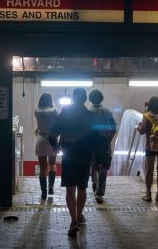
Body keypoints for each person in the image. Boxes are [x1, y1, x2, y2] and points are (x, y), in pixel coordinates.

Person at [49, 88, 96, 238]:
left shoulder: (66, 112)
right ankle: (79, 215)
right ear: (85, 99)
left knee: (70, 191)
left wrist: (57, 148)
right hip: (85, 157)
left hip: (69, 156)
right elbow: (95, 136)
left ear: (74, 98)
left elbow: (52, 134)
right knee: (82, 189)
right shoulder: (90, 115)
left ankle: (73, 220)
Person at [137, 96, 158, 202]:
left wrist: (139, 125)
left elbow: (141, 131)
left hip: (150, 146)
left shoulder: (146, 116)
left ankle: (148, 193)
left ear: (150, 105)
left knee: (150, 170)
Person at [88, 89, 116, 204]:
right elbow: (113, 128)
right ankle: (100, 193)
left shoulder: (88, 112)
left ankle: (95, 185)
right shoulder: (107, 111)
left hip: (92, 142)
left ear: (90, 99)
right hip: (104, 141)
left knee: (93, 166)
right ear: (101, 98)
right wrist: (109, 139)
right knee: (104, 168)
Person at [34, 93, 58, 200]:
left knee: (42, 168)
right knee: (52, 163)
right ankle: (51, 187)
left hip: (41, 139)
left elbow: (40, 124)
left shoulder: (36, 111)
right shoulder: (54, 111)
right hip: (52, 139)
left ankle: (43, 192)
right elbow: (58, 123)